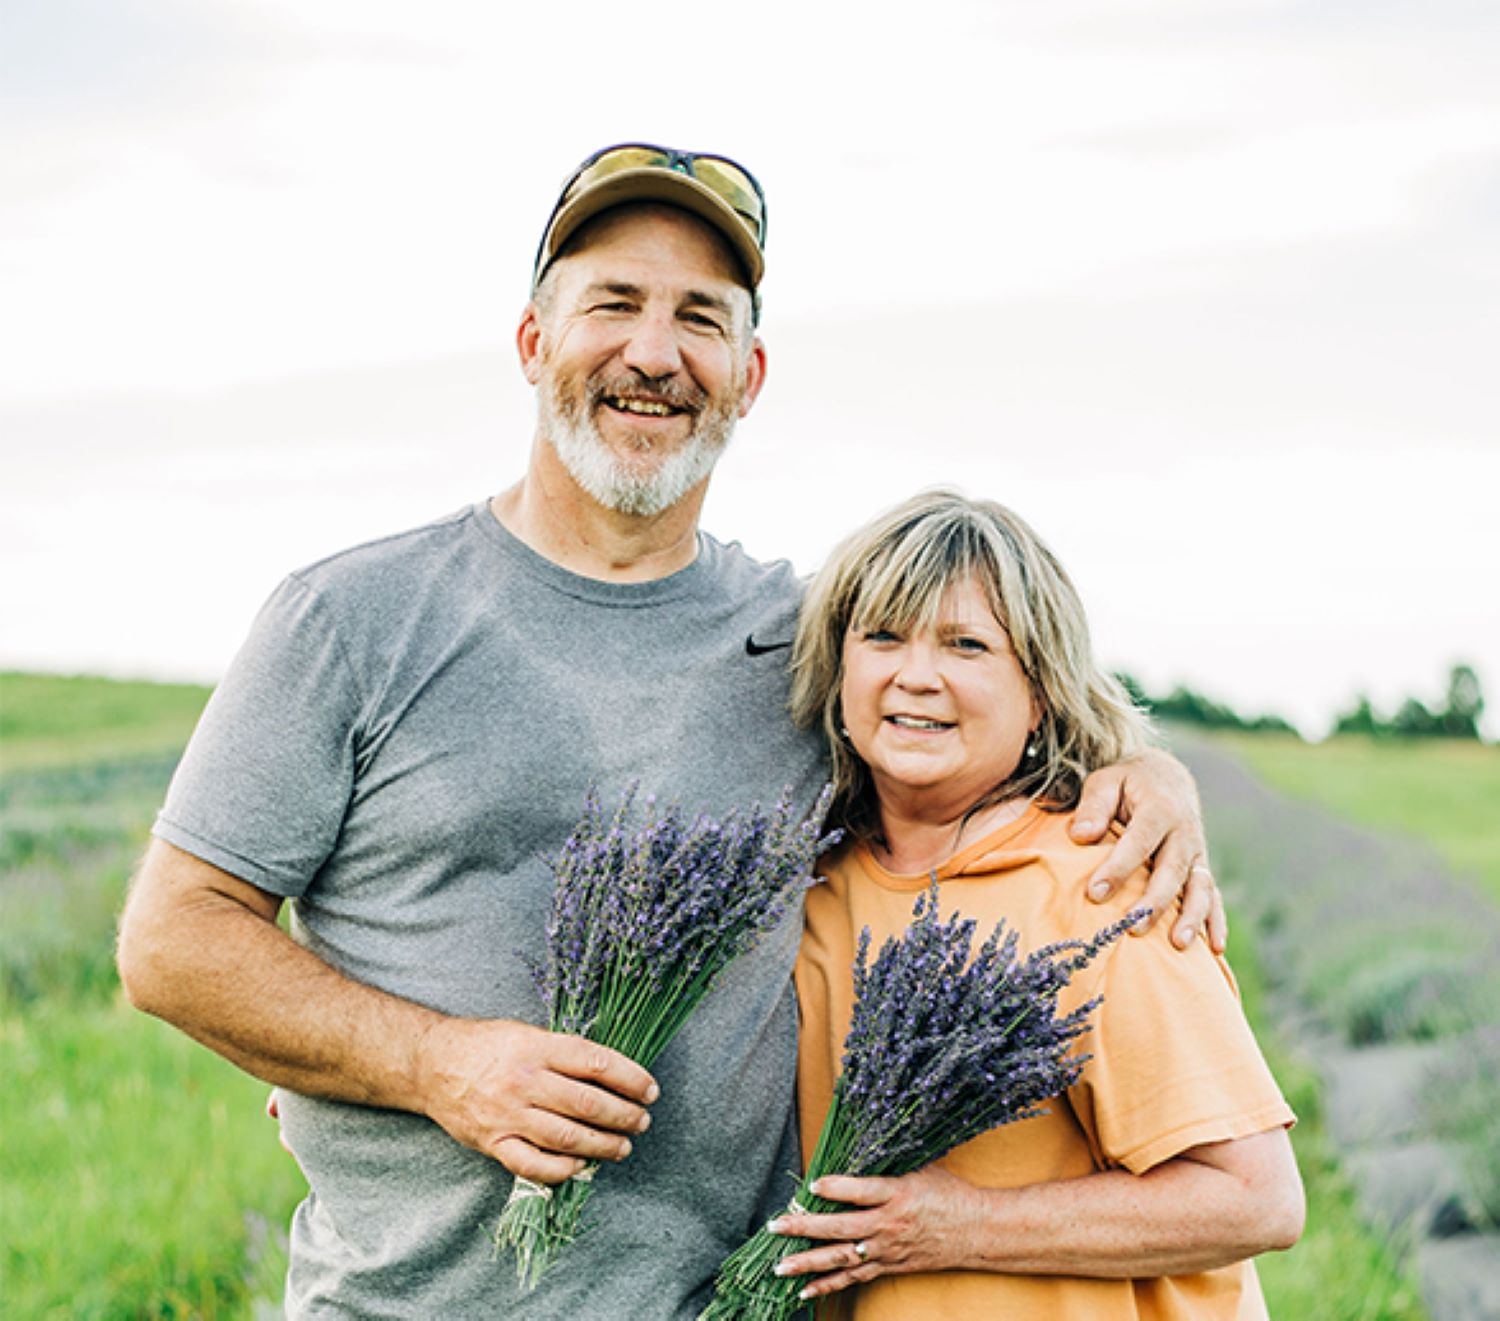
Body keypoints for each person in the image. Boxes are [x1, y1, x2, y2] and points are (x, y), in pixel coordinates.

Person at [116, 145, 1222, 1318]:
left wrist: (1146, 770)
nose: (654, 352)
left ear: (748, 374)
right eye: (614, 304)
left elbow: (972, 730)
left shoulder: (815, 647)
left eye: (699, 317)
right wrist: (436, 1065)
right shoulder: (353, 617)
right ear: (535, 342)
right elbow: (172, 940)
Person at [769, 490, 1303, 1319]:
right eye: (882, 635)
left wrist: (962, 1225)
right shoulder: (808, 884)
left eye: (967, 644)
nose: (916, 673)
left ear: (1040, 693)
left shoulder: (1106, 881)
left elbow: (1255, 1197)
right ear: (839, 667)